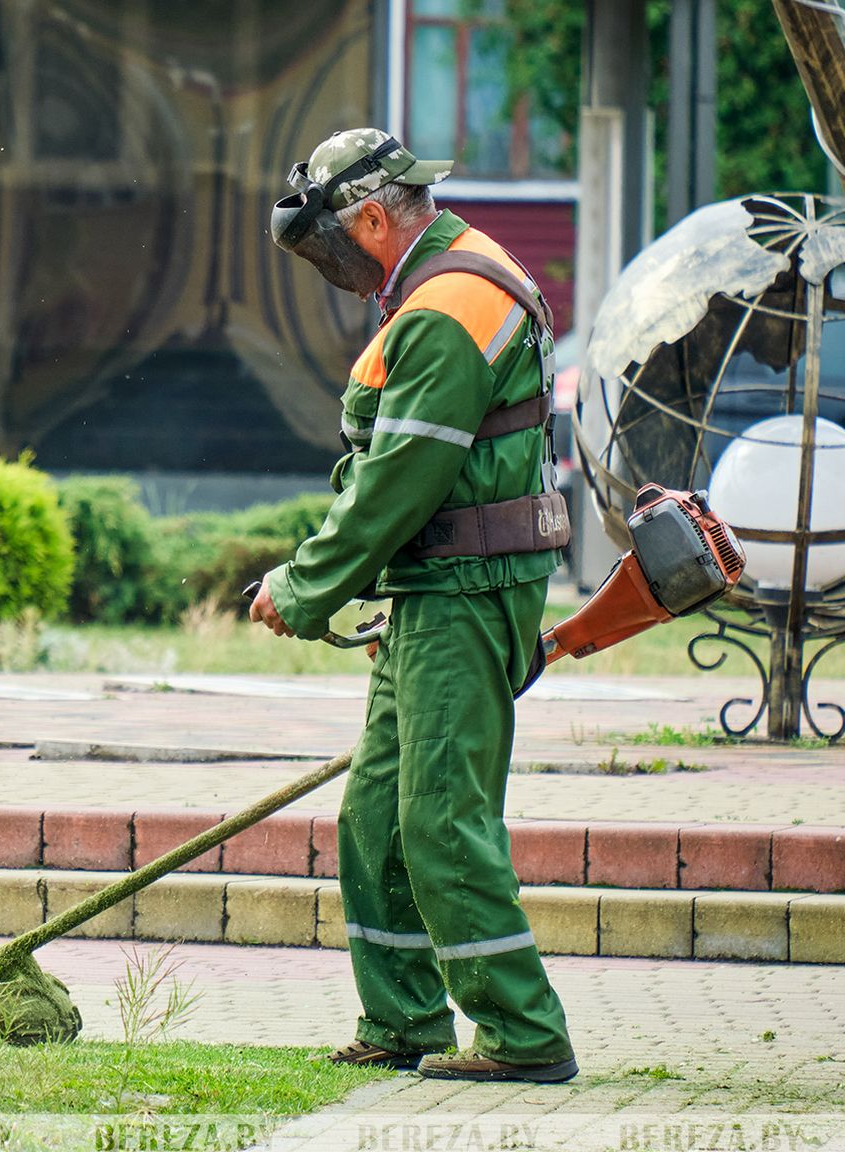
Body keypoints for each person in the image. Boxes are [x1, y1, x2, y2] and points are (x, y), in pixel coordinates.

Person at [248, 127, 576, 1083]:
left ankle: (523, 1035)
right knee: (377, 819)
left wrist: (304, 588)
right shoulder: (460, 275)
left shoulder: (445, 309)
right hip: (440, 589)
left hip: (463, 592)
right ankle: (404, 1023)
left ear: (377, 220)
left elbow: (399, 481)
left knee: (438, 817)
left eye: (330, 244)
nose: (332, 267)